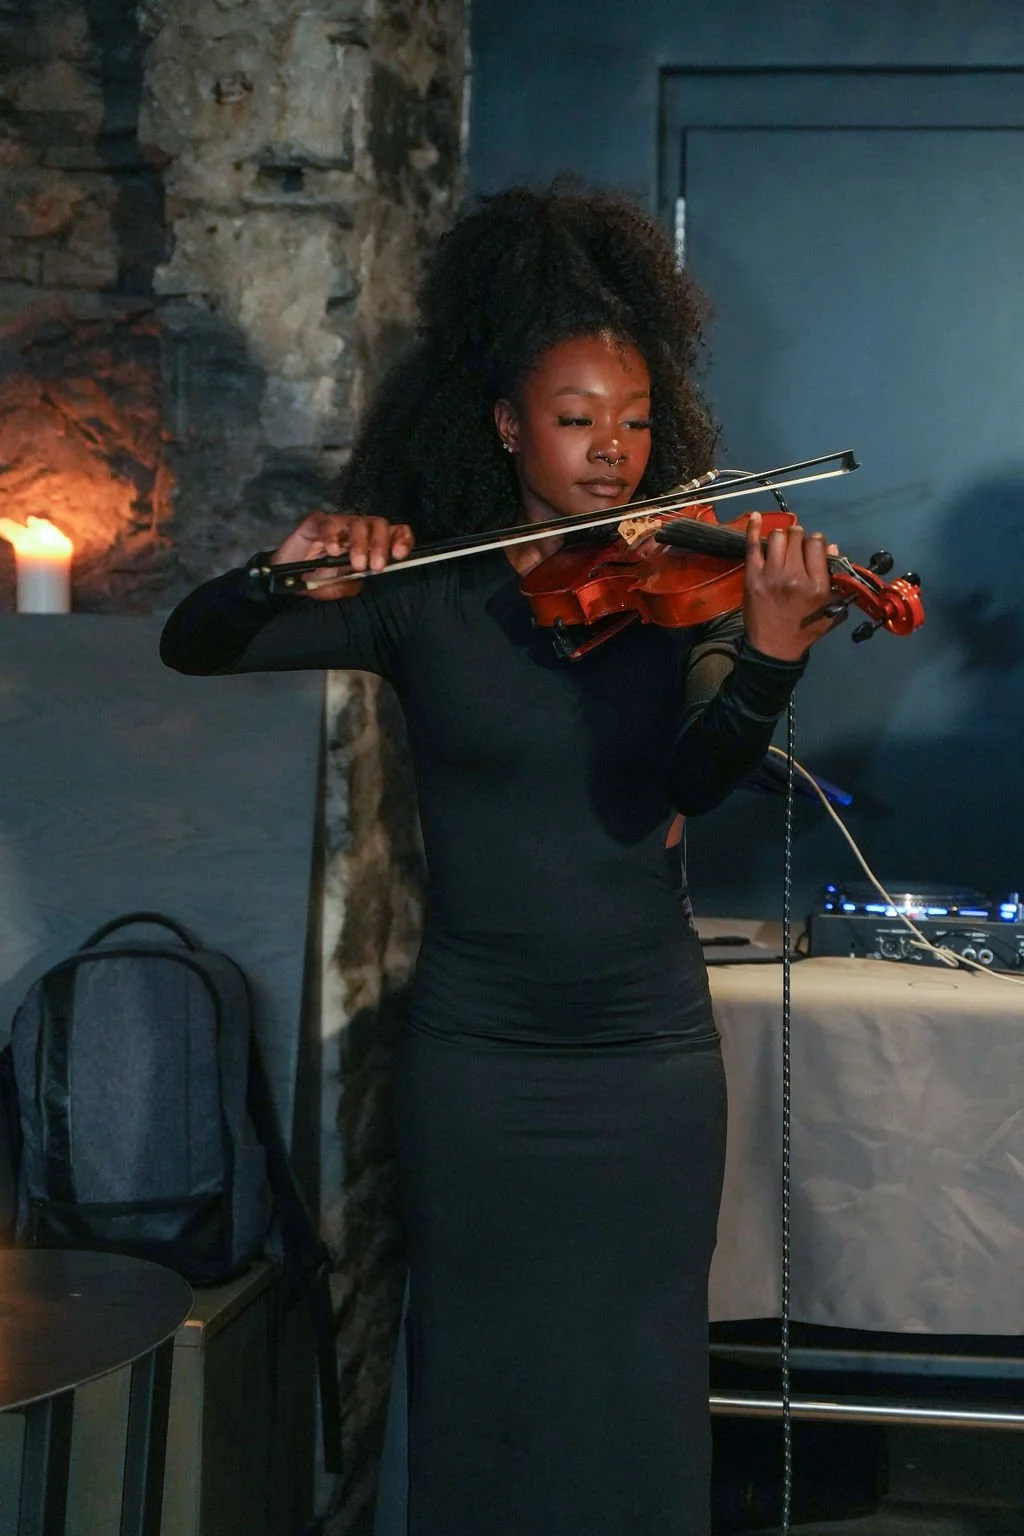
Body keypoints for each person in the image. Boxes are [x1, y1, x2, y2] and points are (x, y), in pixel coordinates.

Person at [161, 183, 836, 1536]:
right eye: (577, 419)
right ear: (507, 426)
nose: (612, 450)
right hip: (477, 1058)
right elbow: (197, 646)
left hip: (645, 1057)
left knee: (639, 1370)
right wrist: (280, 571)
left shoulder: (685, 589)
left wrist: (769, 656)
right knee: (477, 1367)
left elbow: (698, 776)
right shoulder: (425, 593)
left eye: (634, 420)